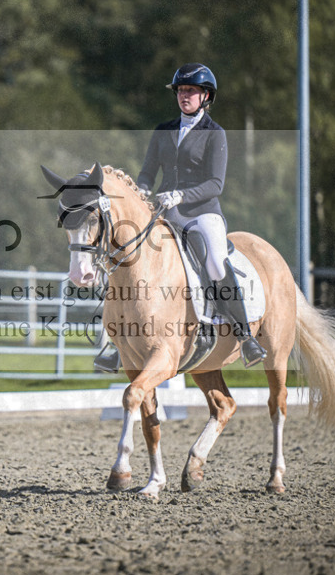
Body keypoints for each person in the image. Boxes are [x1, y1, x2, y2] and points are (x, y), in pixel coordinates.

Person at [94, 62, 266, 372]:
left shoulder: (215, 134)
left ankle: (245, 336)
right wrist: (140, 192)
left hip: (202, 214)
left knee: (213, 260)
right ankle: (117, 342)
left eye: (191, 91)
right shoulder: (163, 131)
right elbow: (147, 173)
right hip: (164, 212)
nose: (184, 96)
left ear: (206, 96)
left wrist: (182, 195)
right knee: (127, 257)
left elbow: (216, 183)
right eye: (181, 91)